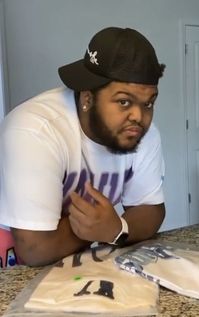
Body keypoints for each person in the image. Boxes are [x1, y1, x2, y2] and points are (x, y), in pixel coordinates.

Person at [0, 26, 166, 268]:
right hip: (13, 262)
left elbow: (151, 210)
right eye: (124, 101)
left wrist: (117, 228)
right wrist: (101, 227)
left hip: (76, 260)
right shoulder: (34, 129)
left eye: (148, 103)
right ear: (87, 98)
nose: (139, 116)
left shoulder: (141, 132)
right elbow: (35, 248)